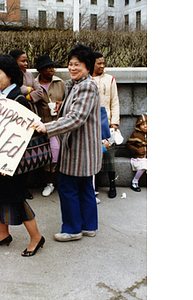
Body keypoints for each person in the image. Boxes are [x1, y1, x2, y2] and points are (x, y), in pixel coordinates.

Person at [0, 54, 45, 257]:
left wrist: (9, 164)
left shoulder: (19, 100)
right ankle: (3, 233)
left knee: (15, 198)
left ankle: (36, 238)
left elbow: (24, 138)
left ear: (10, 75)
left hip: (10, 162)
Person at [34, 44, 103, 242]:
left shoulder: (87, 86)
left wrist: (48, 127)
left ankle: (72, 229)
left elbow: (76, 118)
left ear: (88, 67)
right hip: (82, 148)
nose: (72, 68)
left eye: (78, 65)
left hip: (79, 148)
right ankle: (89, 226)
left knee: (67, 187)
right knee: (85, 187)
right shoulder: (77, 85)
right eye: (71, 64)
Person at [9, 49, 44, 199]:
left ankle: (24, 187)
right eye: (22, 60)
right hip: (15, 119)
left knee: (26, 153)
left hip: (30, 117)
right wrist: (28, 89)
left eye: (26, 60)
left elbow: (40, 91)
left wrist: (27, 94)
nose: (26, 63)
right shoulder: (10, 75)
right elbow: (16, 90)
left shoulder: (29, 75)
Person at [35, 55, 65, 197]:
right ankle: (49, 183)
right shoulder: (35, 85)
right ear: (40, 70)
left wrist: (61, 105)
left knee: (60, 152)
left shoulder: (61, 83)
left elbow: (69, 101)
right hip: (43, 126)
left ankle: (61, 183)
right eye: (48, 68)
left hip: (60, 125)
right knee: (46, 156)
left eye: (53, 67)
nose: (52, 70)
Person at [92, 51, 120, 199]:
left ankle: (113, 185)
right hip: (92, 123)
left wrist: (114, 122)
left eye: (103, 63)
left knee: (109, 156)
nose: (102, 66)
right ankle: (94, 186)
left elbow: (114, 101)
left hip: (107, 122)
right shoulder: (87, 79)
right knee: (94, 154)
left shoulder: (110, 79)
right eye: (99, 63)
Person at [126, 114, 147, 192]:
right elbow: (128, 145)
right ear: (139, 125)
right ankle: (135, 182)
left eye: (147, 124)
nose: (145, 126)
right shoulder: (136, 134)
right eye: (143, 124)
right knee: (143, 165)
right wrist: (136, 150)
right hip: (139, 156)